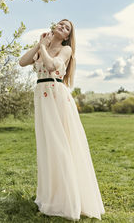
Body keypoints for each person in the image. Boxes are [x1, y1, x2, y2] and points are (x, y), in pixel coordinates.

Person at [19, 19, 105, 221]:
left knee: (61, 144)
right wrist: (40, 43)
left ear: (67, 36)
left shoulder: (66, 50)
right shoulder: (44, 45)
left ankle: (68, 198)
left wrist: (43, 47)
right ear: (54, 27)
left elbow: (50, 67)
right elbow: (22, 62)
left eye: (67, 28)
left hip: (56, 96)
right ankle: (51, 194)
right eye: (60, 24)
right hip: (41, 95)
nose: (62, 27)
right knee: (48, 145)